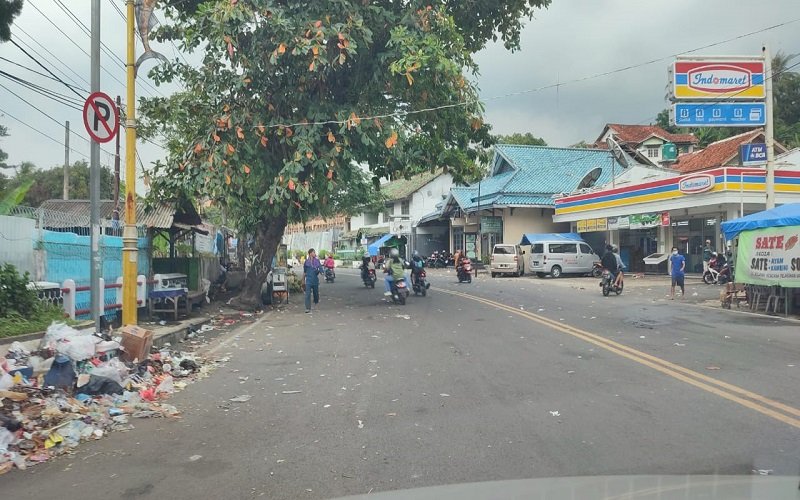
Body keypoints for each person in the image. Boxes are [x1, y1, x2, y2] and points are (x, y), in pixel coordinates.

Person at [302, 248, 322, 313]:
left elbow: (320, 268)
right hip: (308, 280)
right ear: (310, 253)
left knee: (316, 294)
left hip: (315, 280)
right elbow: (304, 272)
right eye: (313, 252)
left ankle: (316, 301)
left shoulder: (317, 261)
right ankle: (308, 308)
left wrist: (321, 271)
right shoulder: (306, 262)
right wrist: (303, 280)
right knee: (307, 294)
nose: (314, 253)